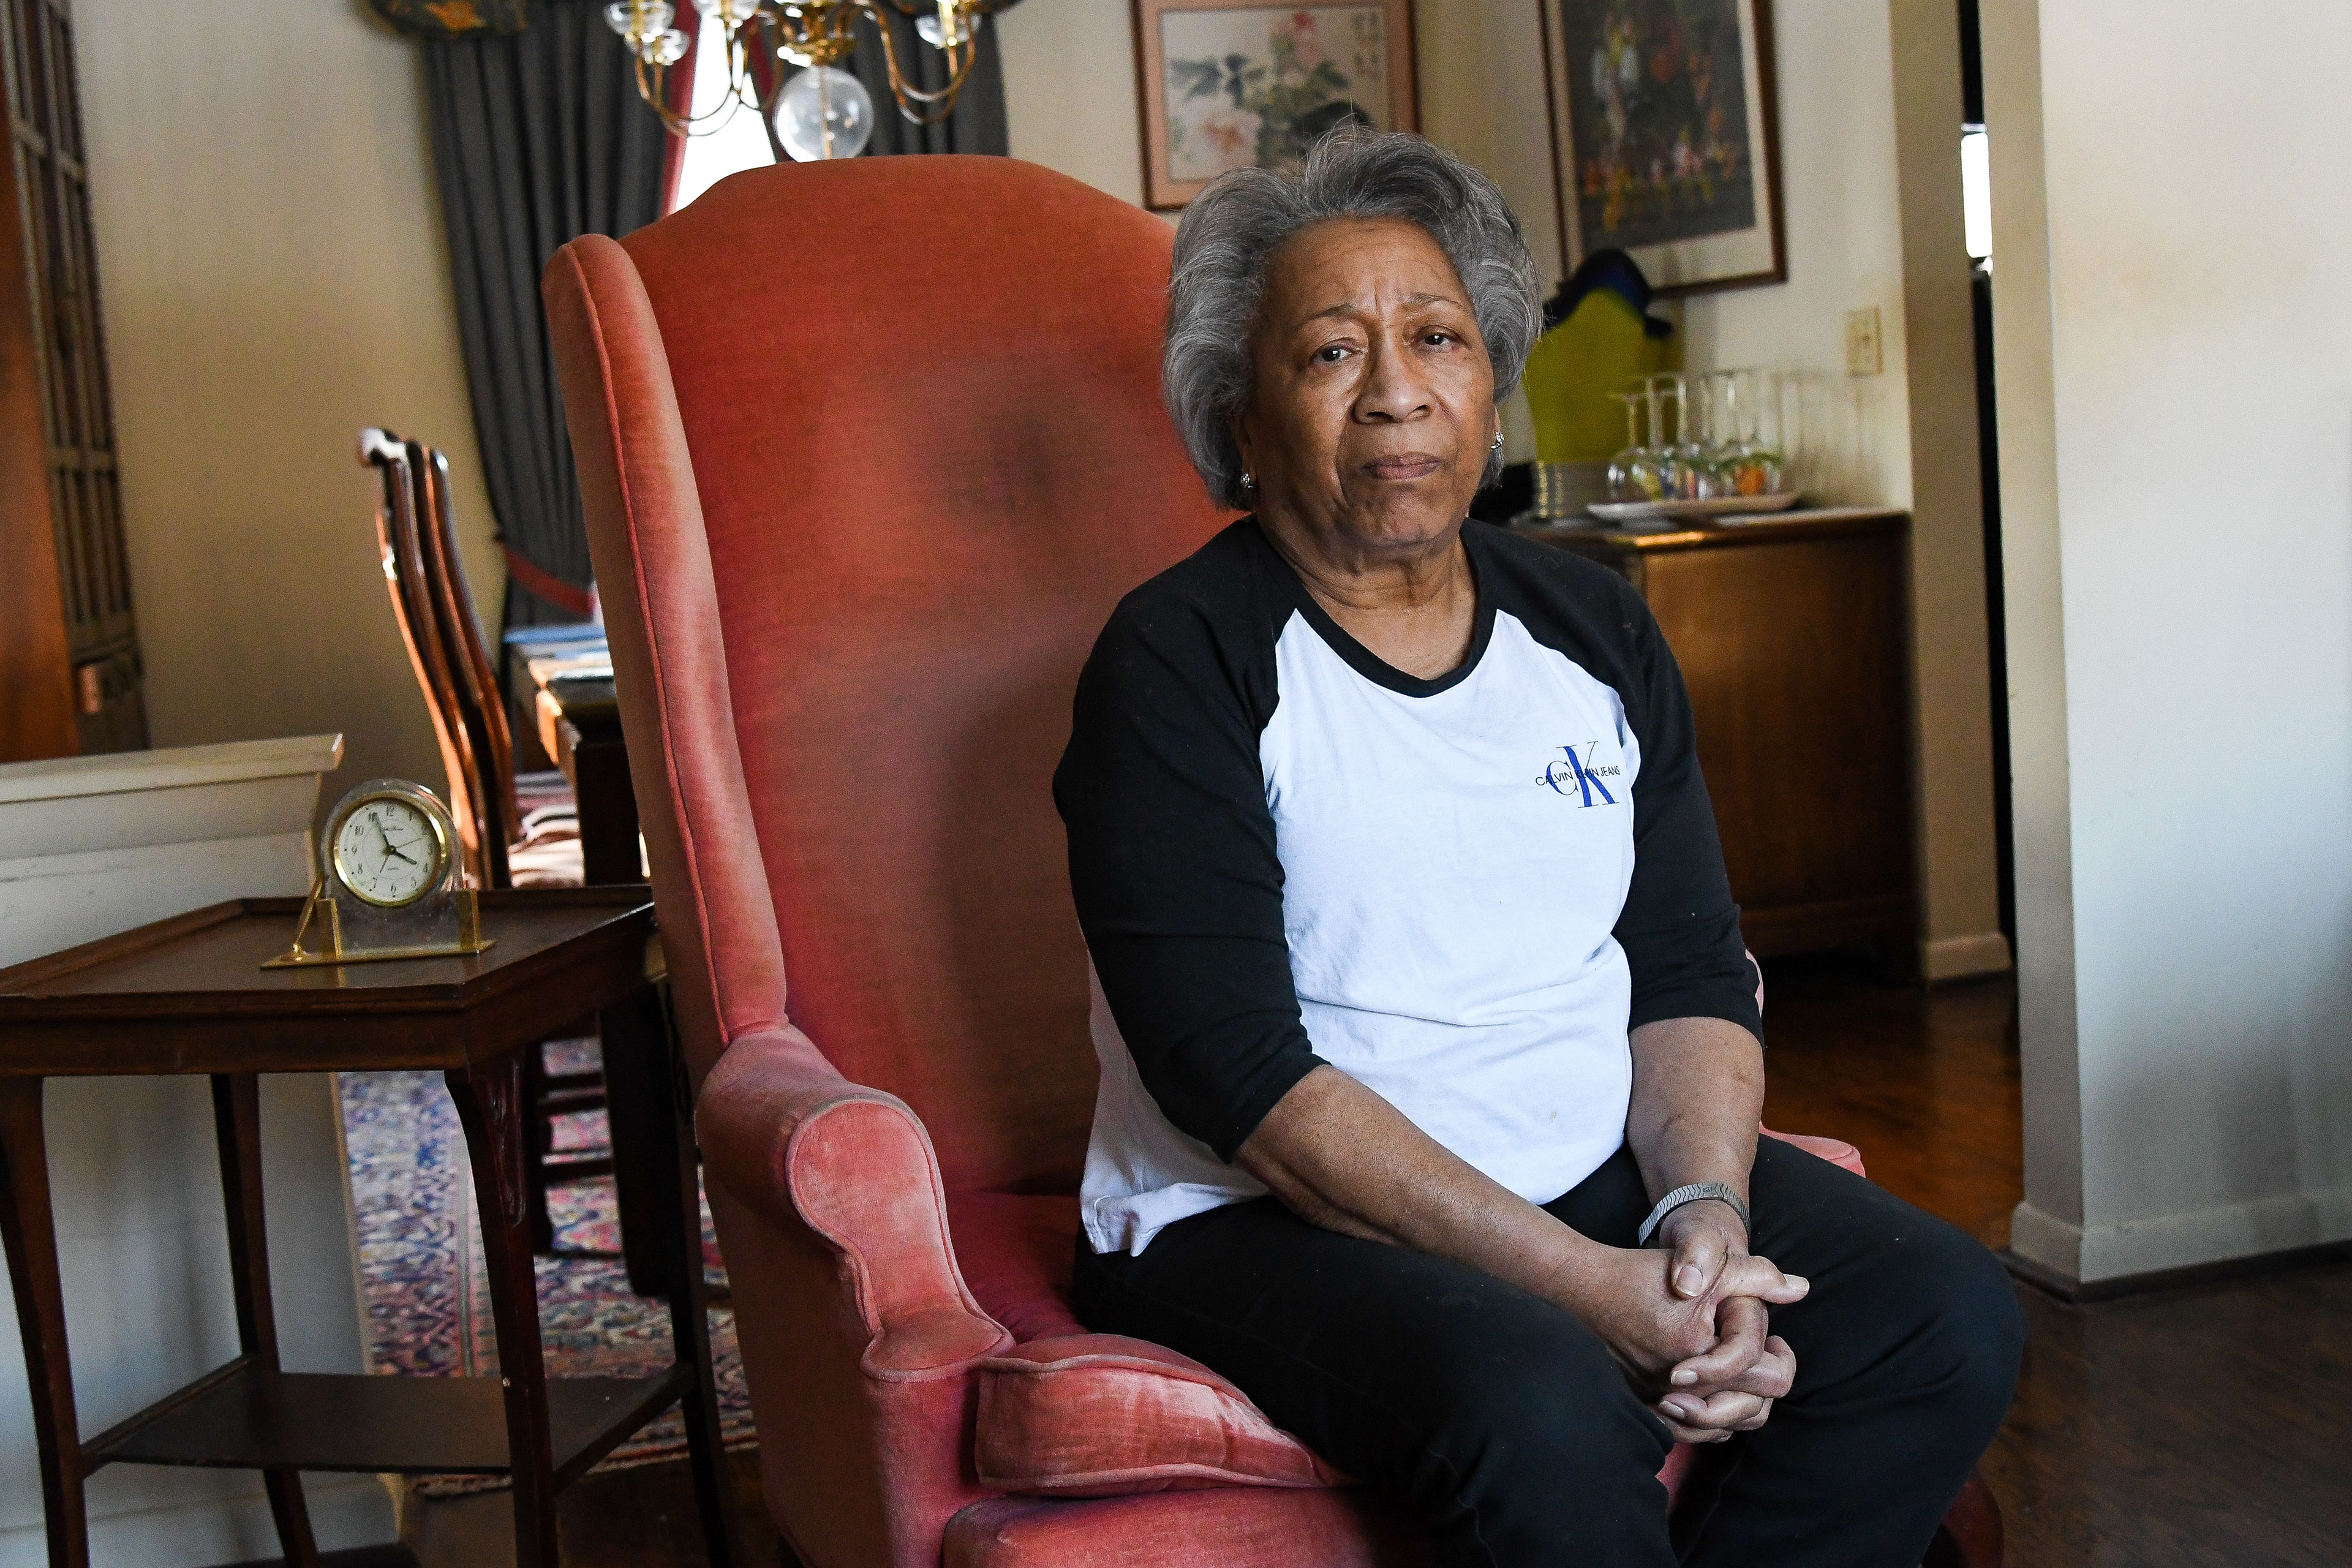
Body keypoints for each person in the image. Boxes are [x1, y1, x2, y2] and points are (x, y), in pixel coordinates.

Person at [1052, 130, 2023, 1568]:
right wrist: (1594, 1291)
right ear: (1238, 420)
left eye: (1437, 336)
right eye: (1329, 353)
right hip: (1260, 1216)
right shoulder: (1178, 659)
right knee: (1546, 1398)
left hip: (1586, 1156)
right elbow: (1239, 1081)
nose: (1397, 389)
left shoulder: (1594, 625)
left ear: (1490, 389)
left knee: (1943, 1308)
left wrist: (1703, 1218)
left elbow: (1687, 967)